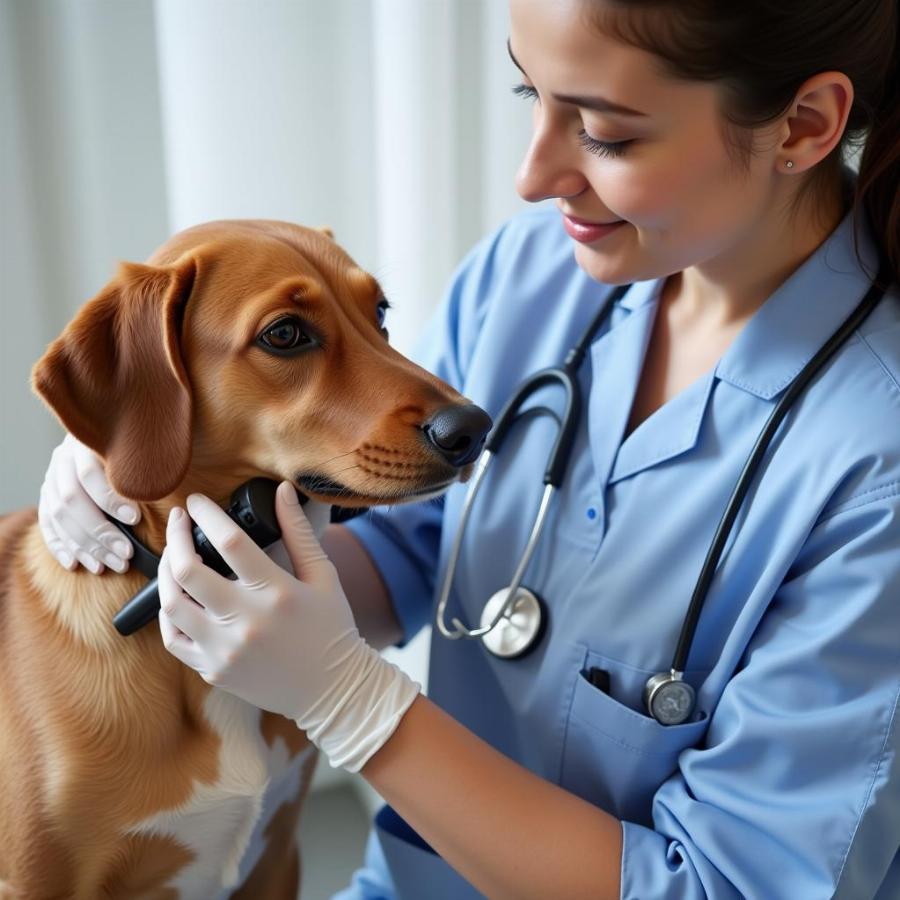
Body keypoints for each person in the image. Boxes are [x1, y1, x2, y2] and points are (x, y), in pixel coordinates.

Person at [37, 0, 900, 896]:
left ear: (803, 126)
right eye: (532, 92)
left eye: (605, 133)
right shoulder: (532, 273)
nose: (532, 175)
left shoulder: (875, 465)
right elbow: (414, 541)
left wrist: (355, 706)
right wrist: (155, 460)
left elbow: (727, 883)